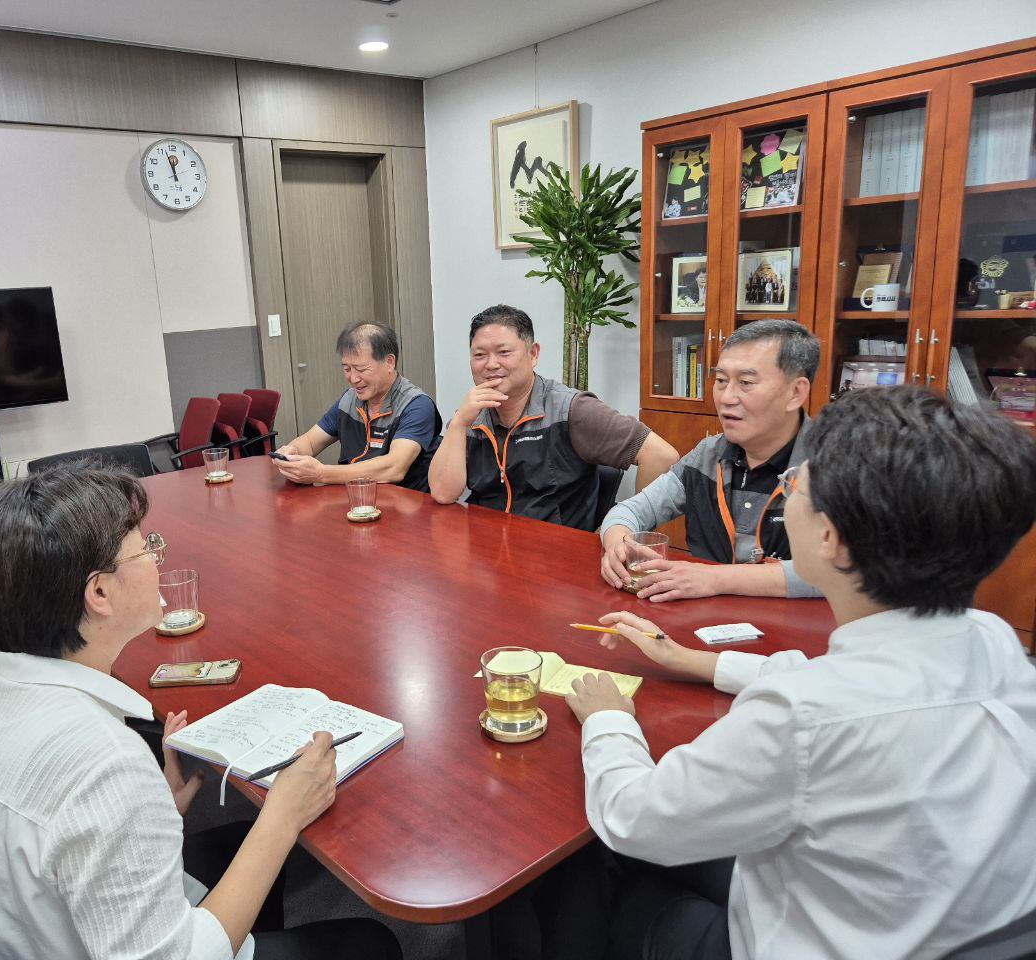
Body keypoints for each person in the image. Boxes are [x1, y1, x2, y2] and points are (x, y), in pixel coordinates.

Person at [565, 386, 1036, 959]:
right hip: (931, 919)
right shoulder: (993, 639)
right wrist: (693, 660)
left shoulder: (802, 716)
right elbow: (858, 683)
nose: (788, 490)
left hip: (806, 940)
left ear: (832, 539)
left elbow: (633, 818)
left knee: (592, 871)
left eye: (797, 486)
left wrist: (609, 719)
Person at [0, 463, 401, 960]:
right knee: (368, 943)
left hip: (8, 927)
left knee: (240, 847)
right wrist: (283, 816)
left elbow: (47, 833)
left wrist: (150, 811)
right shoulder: (104, 762)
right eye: (145, 548)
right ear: (100, 593)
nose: (158, 558)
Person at [599, 319, 823, 601]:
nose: (726, 397)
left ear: (796, 392)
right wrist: (618, 543)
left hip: (791, 623)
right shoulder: (709, 455)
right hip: (705, 617)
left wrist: (715, 578)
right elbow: (631, 511)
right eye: (721, 380)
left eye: (746, 382)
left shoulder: (833, 464)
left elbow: (846, 569)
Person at [428, 304, 678, 532]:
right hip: (486, 548)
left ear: (533, 354)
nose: (491, 364)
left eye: (504, 352)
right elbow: (442, 493)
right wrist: (459, 424)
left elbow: (660, 456)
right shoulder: (472, 414)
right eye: (479, 355)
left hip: (555, 554)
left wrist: (627, 529)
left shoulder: (571, 409)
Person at [274, 321, 441, 492]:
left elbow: (394, 468)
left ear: (389, 362)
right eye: (347, 369)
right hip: (357, 499)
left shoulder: (416, 405)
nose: (353, 379)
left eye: (361, 369)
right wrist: (292, 453)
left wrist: (321, 473)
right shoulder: (349, 400)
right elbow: (310, 441)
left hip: (404, 502)